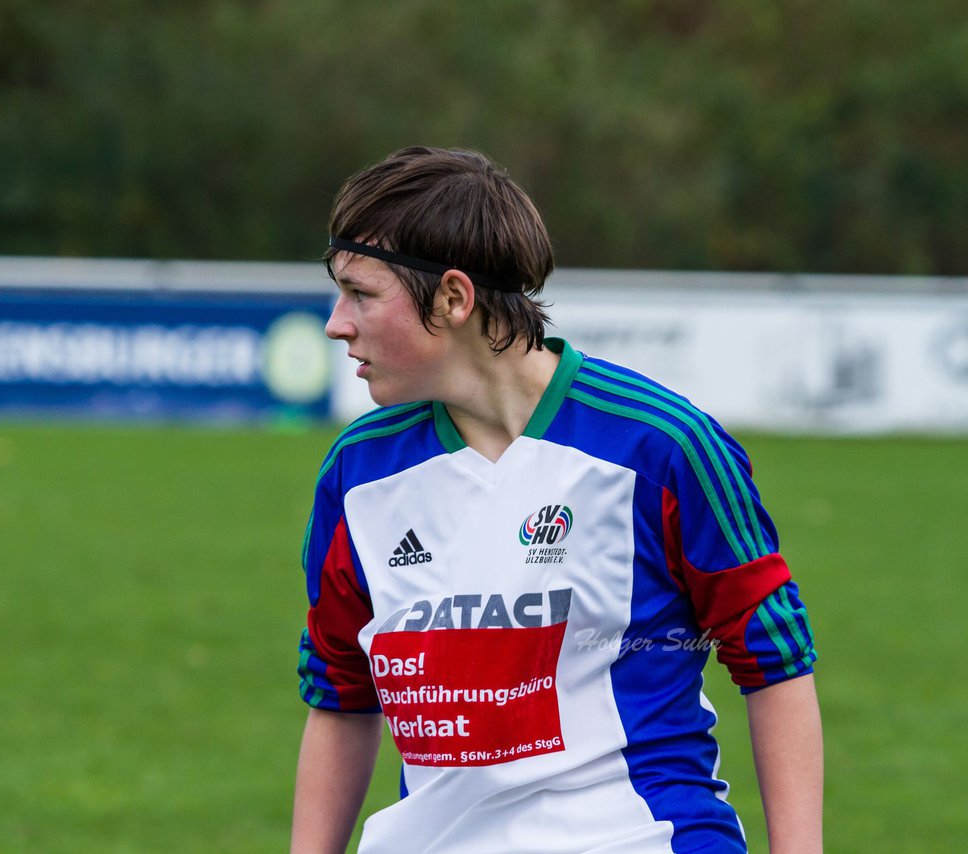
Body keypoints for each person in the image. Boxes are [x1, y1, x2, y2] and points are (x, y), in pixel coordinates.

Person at [291, 147, 822, 852]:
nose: (336, 322)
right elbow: (339, 694)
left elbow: (775, 660)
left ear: (453, 298)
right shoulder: (358, 473)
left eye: (361, 293)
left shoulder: (662, 447)